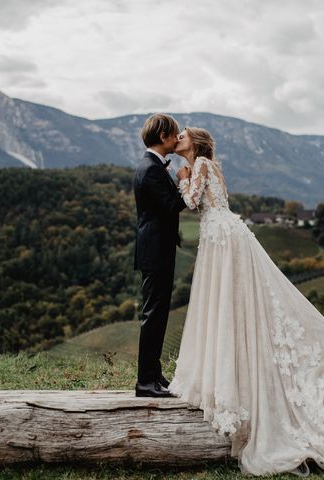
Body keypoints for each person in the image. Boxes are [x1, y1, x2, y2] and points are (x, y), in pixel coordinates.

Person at [168, 127, 324, 476]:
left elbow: (193, 201)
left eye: (182, 135)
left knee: (234, 306)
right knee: (234, 307)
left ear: (194, 142)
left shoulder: (201, 166)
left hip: (224, 240)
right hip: (223, 237)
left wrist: (180, 178)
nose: (177, 138)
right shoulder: (208, 165)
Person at [132, 113, 190, 398]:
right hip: (155, 252)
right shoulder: (151, 168)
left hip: (158, 250)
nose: (177, 138)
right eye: (175, 133)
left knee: (158, 313)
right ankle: (145, 382)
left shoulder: (152, 165)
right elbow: (170, 206)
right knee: (153, 314)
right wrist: (184, 180)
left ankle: (154, 375)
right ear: (163, 136)